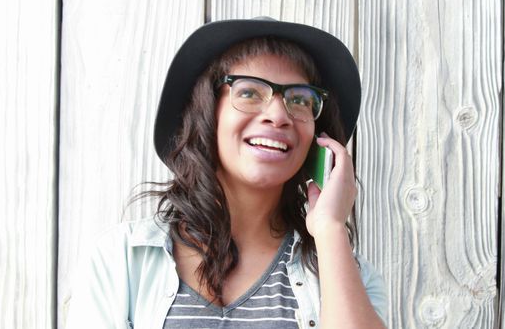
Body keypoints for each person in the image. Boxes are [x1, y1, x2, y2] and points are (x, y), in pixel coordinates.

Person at [66, 17, 387, 329]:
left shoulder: (347, 274)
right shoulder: (120, 261)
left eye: (300, 99)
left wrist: (330, 230)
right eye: (248, 93)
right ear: (207, 114)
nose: (278, 115)